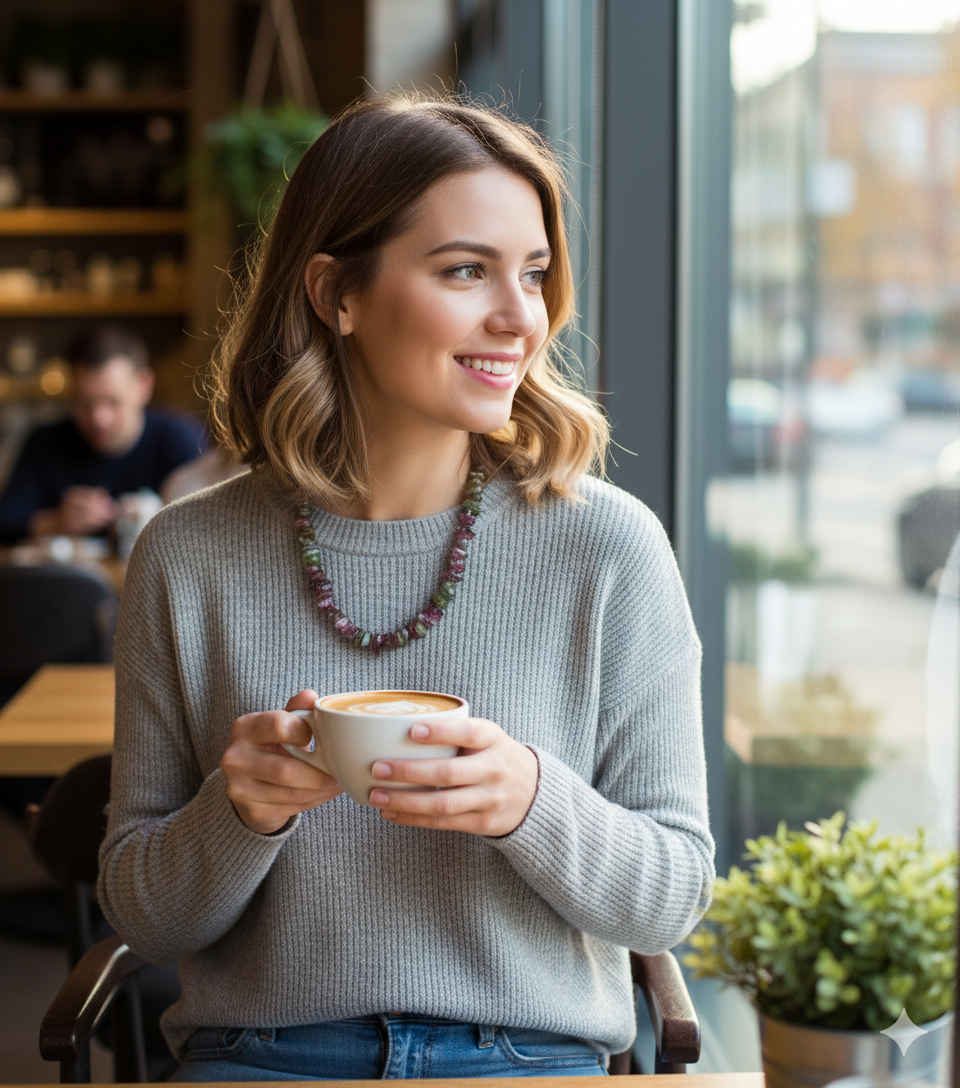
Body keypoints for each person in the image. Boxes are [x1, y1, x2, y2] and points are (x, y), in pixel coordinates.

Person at [97, 92, 714, 1081]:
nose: (520, 317)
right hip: (262, 1057)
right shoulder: (188, 552)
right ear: (335, 292)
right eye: (466, 270)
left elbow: (674, 897)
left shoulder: (610, 546)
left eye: (534, 273)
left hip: (525, 1057)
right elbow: (143, 915)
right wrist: (240, 809)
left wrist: (531, 800)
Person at [0, 326, 204, 544]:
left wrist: (152, 519)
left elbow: (208, 524)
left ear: (144, 386)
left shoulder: (181, 439)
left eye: (113, 402)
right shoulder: (44, 442)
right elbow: (5, 523)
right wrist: (58, 521)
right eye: (85, 403)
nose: (99, 419)